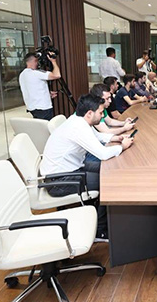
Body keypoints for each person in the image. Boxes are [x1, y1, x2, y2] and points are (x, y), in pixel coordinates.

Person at [40, 94, 134, 238]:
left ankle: (100, 216)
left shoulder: (78, 121)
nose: (102, 116)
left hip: (69, 170)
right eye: (100, 113)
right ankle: (100, 230)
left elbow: (96, 136)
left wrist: (115, 138)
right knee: (108, 181)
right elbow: (103, 154)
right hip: (59, 181)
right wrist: (122, 146)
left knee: (108, 171)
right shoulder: (78, 127)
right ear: (90, 113)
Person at [19, 51, 60, 120]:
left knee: (39, 125)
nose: (37, 63)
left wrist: (48, 94)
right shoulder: (36, 73)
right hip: (43, 108)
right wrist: (54, 61)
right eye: (36, 61)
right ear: (34, 61)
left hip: (32, 108)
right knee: (47, 126)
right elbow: (57, 75)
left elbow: (32, 89)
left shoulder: (22, 75)